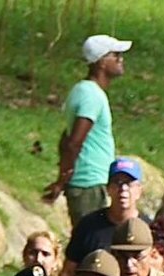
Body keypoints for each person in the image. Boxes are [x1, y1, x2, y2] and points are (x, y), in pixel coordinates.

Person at [45, 34, 128, 224]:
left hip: (92, 182)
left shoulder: (84, 91)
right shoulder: (91, 95)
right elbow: (73, 142)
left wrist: (62, 176)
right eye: (115, 55)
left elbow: (65, 137)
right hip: (89, 185)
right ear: (101, 62)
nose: (120, 59)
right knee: (91, 240)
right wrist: (62, 180)